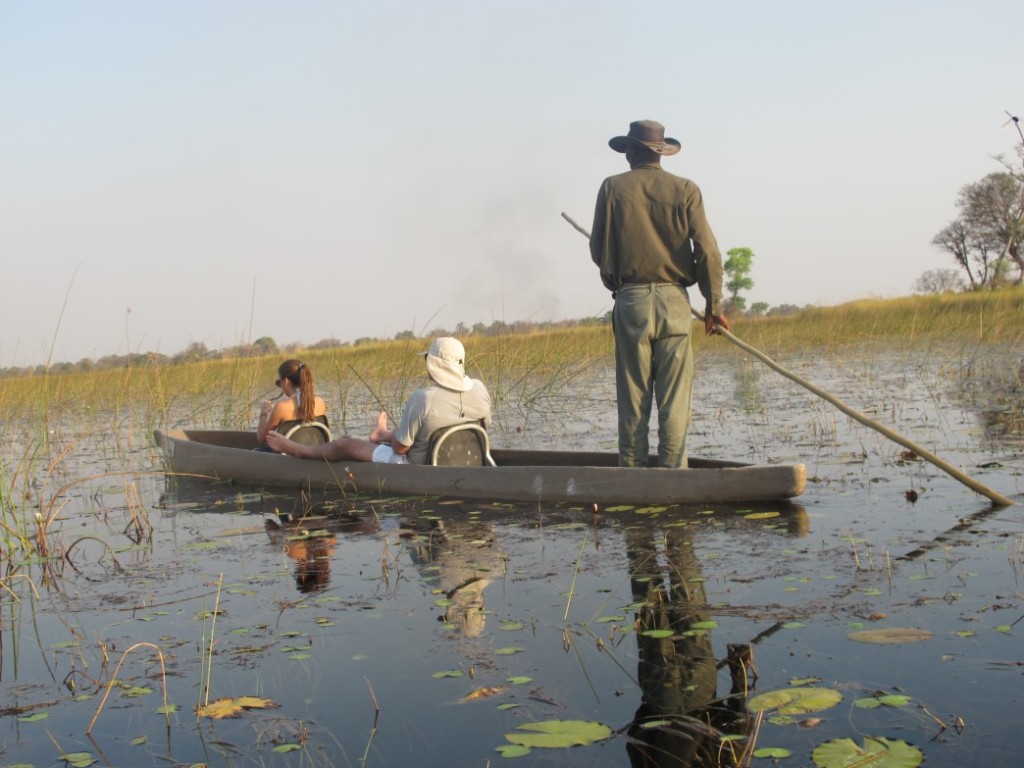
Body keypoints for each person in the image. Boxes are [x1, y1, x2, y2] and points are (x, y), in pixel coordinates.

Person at [590, 119, 731, 469]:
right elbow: (709, 252)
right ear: (661, 152)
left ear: (633, 151)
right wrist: (713, 306)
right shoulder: (686, 190)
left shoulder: (612, 189)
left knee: (633, 396)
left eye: (628, 151)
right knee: (675, 399)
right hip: (675, 302)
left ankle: (634, 478)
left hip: (631, 301)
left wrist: (615, 282)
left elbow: (598, 251)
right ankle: (674, 478)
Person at [266, 337, 491, 464]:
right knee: (391, 437)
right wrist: (384, 435)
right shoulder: (480, 389)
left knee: (343, 444)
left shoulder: (423, 398)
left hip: (415, 466)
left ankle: (296, 449)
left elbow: (401, 449)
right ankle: (380, 434)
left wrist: (390, 440)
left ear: (434, 364)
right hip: (470, 459)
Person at [256, 359, 329, 449]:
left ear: (286, 381)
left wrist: (264, 413)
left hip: (287, 457)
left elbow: (261, 438)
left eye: (280, 382)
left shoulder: (281, 407)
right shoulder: (320, 402)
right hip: (315, 452)